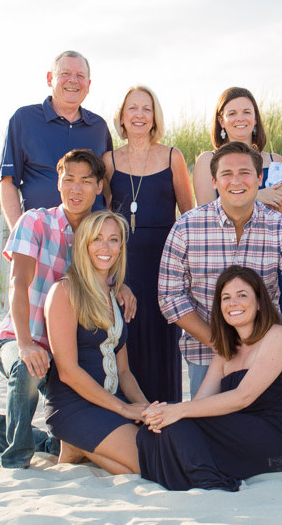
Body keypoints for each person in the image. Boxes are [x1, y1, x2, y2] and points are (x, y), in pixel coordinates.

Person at [158, 141, 282, 475]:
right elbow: (170, 298)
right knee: (208, 426)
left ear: (258, 178)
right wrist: (220, 341)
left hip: (265, 344)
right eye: (227, 174)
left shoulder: (279, 226)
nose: (236, 180)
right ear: (215, 181)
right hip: (208, 347)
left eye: (245, 173)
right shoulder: (187, 227)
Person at [0, 149, 135, 468]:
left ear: (99, 187)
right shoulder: (35, 222)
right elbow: (18, 283)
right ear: (57, 183)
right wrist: (25, 343)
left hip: (65, 353)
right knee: (28, 366)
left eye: (86, 181)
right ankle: (16, 460)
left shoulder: (96, 234)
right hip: (17, 340)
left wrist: (121, 286)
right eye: (69, 179)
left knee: (69, 446)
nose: (77, 188)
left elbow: (103, 278)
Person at [138, 266, 282, 491]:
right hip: (236, 433)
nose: (233, 303)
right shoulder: (226, 350)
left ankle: (211, 481)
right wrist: (165, 412)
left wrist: (179, 411)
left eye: (242, 295)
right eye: (226, 298)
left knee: (179, 421)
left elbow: (242, 397)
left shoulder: (276, 336)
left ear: (259, 303)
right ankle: (190, 478)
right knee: (152, 431)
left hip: (276, 443)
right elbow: (200, 403)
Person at [102, 86, 193, 402]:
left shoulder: (173, 157)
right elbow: (105, 219)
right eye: (132, 108)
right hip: (125, 267)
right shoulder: (109, 161)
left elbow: (187, 218)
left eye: (146, 108)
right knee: (127, 337)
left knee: (163, 341)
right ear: (122, 116)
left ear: (155, 116)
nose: (139, 115)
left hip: (165, 266)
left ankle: (165, 419)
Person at [44, 211, 150, 475]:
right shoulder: (65, 291)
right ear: (84, 244)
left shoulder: (114, 294)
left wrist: (147, 408)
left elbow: (123, 372)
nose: (106, 247)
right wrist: (124, 409)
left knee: (148, 459)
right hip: (74, 405)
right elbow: (68, 371)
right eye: (98, 239)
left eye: (114, 240)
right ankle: (73, 441)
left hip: (109, 402)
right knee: (145, 466)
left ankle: (78, 448)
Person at [192, 86, 282, 313]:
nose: (240, 118)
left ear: (255, 118)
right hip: (229, 262)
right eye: (232, 113)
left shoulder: (277, 160)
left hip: (275, 261)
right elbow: (206, 214)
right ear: (221, 121)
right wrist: (257, 196)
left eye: (247, 112)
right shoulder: (207, 160)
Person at [0, 50, 113, 229]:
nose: (73, 80)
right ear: (50, 78)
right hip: (40, 237)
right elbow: (7, 182)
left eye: (80, 76)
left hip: (90, 240)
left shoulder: (99, 127)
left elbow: (107, 185)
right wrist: (18, 237)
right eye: (65, 74)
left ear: (88, 85)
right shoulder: (24, 119)